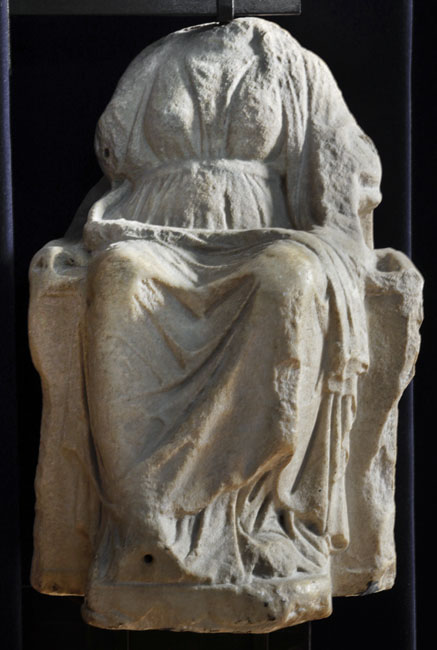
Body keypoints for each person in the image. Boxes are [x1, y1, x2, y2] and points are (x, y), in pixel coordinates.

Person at [29, 18, 422, 632]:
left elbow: (346, 162)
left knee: (288, 280)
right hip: (152, 232)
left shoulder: (295, 65)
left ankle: (266, 525)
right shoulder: (157, 60)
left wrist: (345, 240)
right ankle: (141, 526)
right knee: (119, 278)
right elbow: (117, 161)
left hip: (269, 233)